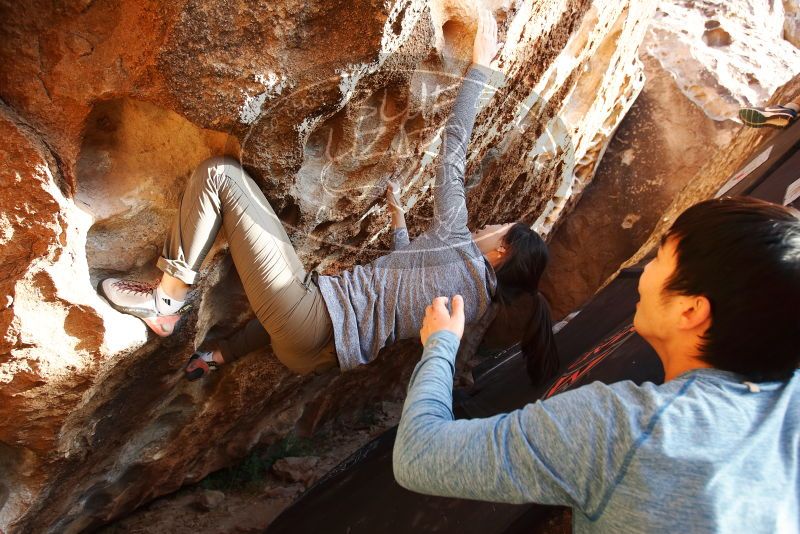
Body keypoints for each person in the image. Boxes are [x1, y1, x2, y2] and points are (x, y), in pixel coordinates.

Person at [97, 9, 559, 383]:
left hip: (313, 318)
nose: (485, 226)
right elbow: (402, 291)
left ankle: (165, 302)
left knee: (219, 176)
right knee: (297, 309)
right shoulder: (469, 307)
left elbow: (454, 148)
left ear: (501, 252)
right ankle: (218, 356)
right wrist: (399, 222)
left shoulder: (457, 244)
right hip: (315, 355)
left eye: (497, 228)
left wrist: (480, 68)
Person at [393, 196, 800, 533]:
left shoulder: (624, 429)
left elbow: (419, 454)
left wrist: (441, 343)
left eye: (660, 259)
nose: (642, 273)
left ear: (691, 309)